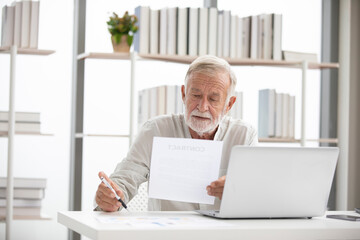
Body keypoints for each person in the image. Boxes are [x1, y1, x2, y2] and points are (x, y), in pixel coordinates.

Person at [95, 55, 258, 212]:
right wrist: (110, 197)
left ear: (229, 104)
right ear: (183, 94)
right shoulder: (155, 130)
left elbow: (257, 189)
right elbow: (126, 177)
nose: (202, 107)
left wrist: (240, 189)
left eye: (213, 99)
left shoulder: (244, 135)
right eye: (196, 95)